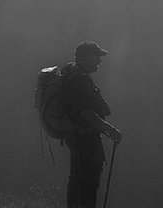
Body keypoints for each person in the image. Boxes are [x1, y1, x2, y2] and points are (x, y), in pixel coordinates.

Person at [62, 40, 123, 208]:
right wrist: (110, 130)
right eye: (97, 56)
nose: (99, 61)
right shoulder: (81, 81)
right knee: (89, 182)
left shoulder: (71, 74)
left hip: (75, 137)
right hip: (86, 139)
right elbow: (87, 114)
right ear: (86, 57)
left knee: (76, 179)